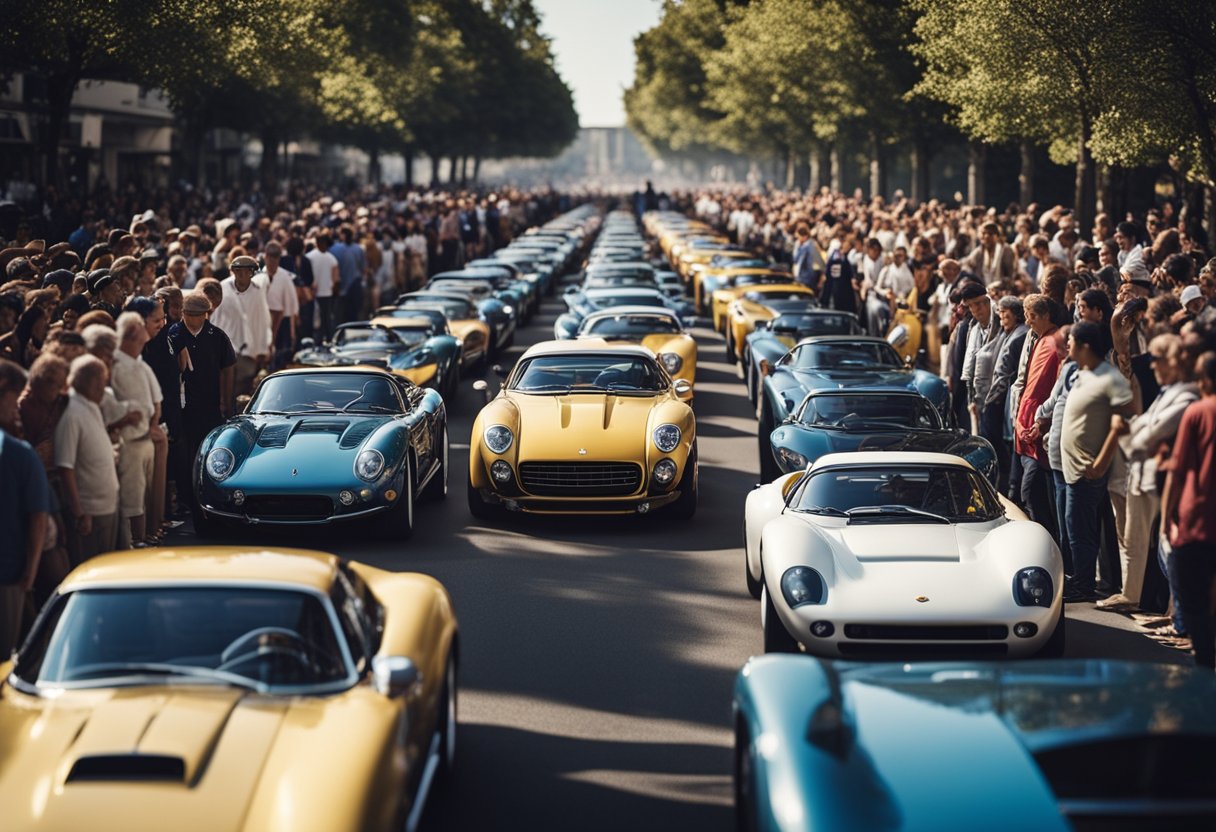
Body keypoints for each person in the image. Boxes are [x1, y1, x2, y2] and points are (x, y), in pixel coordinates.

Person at [1060, 320, 1135, 602]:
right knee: (1075, 527)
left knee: (1081, 530)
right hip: (1072, 468)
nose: (1067, 345)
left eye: (1071, 341)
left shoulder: (1109, 378)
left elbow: (1123, 422)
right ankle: (1081, 580)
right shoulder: (1082, 373)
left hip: (1087, 470)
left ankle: (1084, 585)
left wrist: (1102, 462)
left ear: (1085, 346)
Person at [1161, 351, 1216, 669]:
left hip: (1199, 520)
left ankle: (1206, 661)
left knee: (1191, 595)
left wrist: (1168, 517)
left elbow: (1178, 471)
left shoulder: (1198, 412)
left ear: (1206, 381)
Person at [0, 359, 50, 657]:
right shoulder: (19, 454)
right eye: (15, 399)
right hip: (8, 572)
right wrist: (31, 568)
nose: (17, 408)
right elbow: (37, 516)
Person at [54, 354, 120, 564]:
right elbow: (65, 466)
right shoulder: (72, 414)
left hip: (105, 507)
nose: (105, 387)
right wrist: (79, 512)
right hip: (89, 515)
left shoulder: (90, 406)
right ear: (91, 382)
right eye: (102, 381)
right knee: (90, 569)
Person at [110, 312, 163, 548]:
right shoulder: (115, 365)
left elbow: (156, 400)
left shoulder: (139, 362)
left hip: (145, 437)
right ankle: (136, 541)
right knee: (132, 498)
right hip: (128, 442)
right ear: (130, 337)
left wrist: (152, 423)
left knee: (145, 495)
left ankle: (144, 536)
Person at [1014, 294, 1062, 539]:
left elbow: (1054, 389)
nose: (1027, 321)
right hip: (1025, 427)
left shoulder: (1055, 343)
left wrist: (1042, 421)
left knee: (1031, 492)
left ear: (1045, 316)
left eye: (1032, 316)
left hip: (1038, 429)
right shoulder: (1039, 339)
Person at [209, 255, 271, 399]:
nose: (242, 274)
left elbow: (262, 320)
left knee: (242, 390)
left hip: (249, 350)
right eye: (238, 271)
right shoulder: (223, 287)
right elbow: (215, 318)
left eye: (246, 271)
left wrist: (263, 347)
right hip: (226, 346)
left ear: (252, 272)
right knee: (223, 389)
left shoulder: (258, 291)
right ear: (233, 271)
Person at [254, 241, 299, 369]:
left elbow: (291, 307)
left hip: (281, 323)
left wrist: (292, 332)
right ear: (265, 257)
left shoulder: (285, 277)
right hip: (263, 321)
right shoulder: (259, 276)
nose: (273, 261)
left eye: (276, 257)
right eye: (270, 257)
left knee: (279, 358)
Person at [306, 231, 339, 340]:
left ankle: (316, 340)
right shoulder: (332, 258)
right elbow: (336, 278)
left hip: (313, 293)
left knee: (315, 320)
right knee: (326, 319)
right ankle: (328, 339)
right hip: (326, 293)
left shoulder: (309, 257)